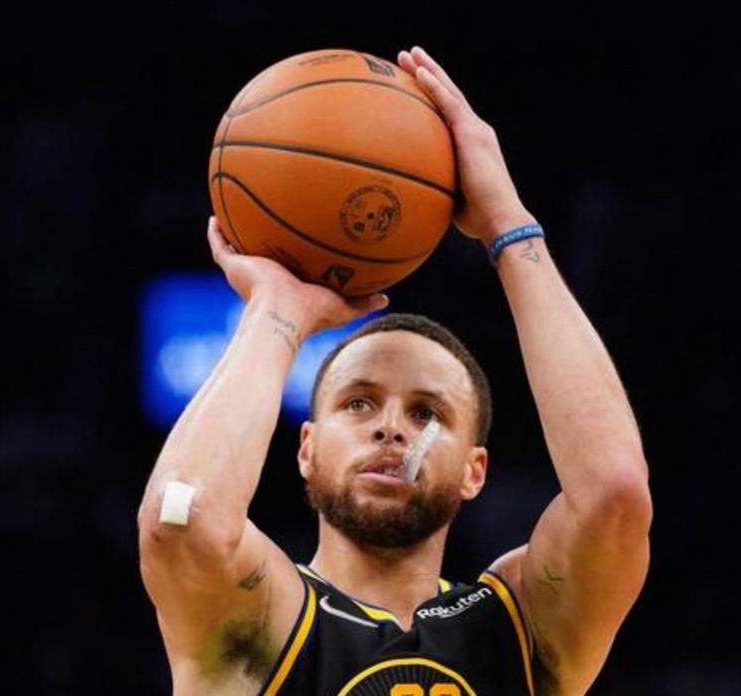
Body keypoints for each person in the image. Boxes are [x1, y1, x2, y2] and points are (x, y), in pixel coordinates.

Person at [137, 46, 652, 695]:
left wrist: (509, 225)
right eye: (358, 403)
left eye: (427, 412)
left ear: (474, 470)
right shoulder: (260, 622)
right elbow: (181, 519)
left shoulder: (520, 629)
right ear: (306, 448)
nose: (391, 428)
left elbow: (614, 495)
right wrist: (277, 312)